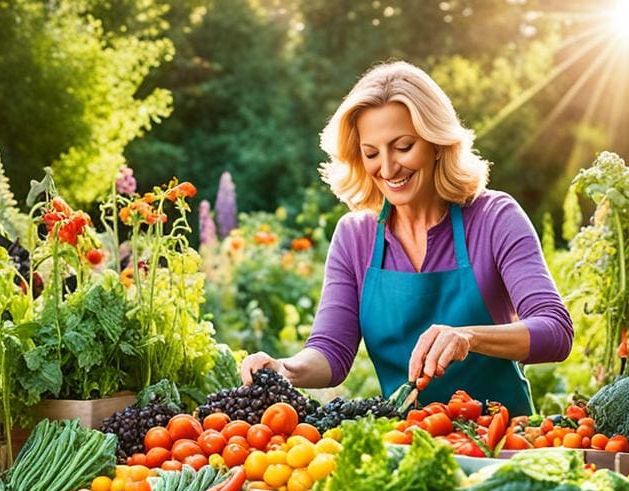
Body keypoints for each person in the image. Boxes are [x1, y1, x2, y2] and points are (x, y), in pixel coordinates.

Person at [241, 61, 573, 415]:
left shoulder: (494, 218)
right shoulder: (355, 237)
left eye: (402, 146)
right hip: (407, 445)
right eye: (371, 153)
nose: (387, 168)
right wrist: (284, 370)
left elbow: (555, 331)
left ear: (435, 142)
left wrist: (468, 337)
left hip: (503, 443)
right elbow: (331, 352)